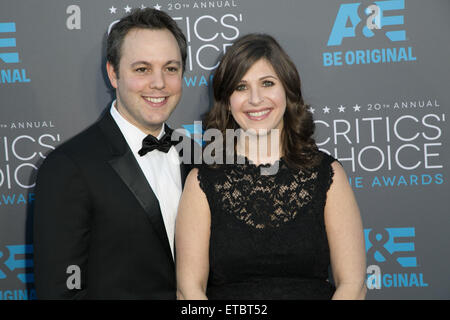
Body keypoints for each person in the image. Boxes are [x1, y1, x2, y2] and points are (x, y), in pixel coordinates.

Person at [175, 33, 367, 300]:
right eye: (241, 87)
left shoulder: (328, 174)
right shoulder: (202, 181)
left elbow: (354, 284)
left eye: (267, 83)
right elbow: (188, 292)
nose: (255, 99)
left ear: (287, 91)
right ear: (227, 102)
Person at [33, 8, 195, 299]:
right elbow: (61, 293)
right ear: (113, 74)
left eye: (170, 68)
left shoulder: (198, 157)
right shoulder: (69, 166)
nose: (159, 83)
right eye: (142, 69)